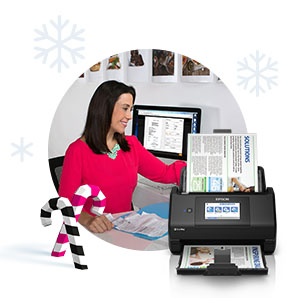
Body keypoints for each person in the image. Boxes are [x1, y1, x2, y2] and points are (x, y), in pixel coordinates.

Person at [58, 80, 186, 234]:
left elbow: (165, 173)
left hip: (125, 227)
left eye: (130, 109)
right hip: (95, 231)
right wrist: (88, 219)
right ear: (105, 109)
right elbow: (66, 203)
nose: (129, 116)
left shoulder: (131, 145)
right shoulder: (77, 151)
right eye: (125, 108)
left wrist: (203, 171)